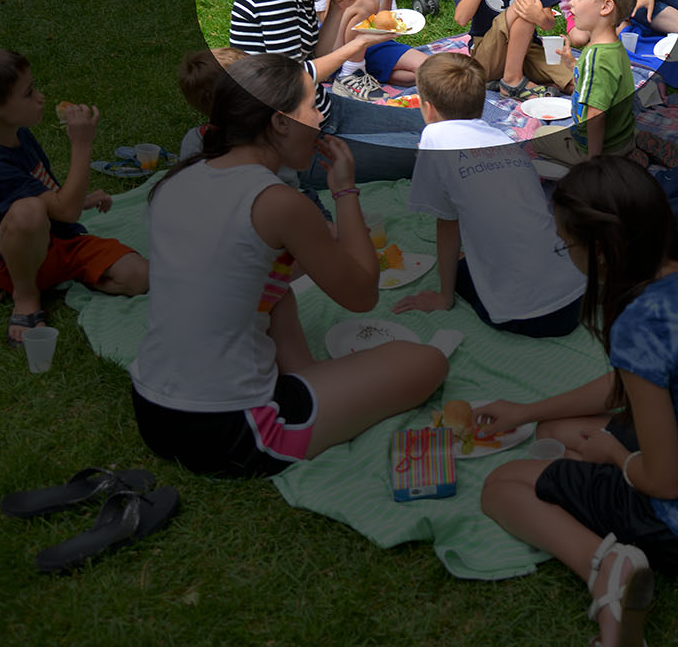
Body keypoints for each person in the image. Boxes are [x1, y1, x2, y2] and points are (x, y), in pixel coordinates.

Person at [479, 156, 678, 647]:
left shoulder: (640, 321)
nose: (567, 253)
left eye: (567, 243)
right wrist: (528, 411)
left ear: (601, 252)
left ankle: (609, 569)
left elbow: (665, 482)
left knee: (502, 486)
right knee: (556, 431)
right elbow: (631, 384)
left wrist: (615, 456)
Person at [129, 53, 449, 477]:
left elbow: (232, 269)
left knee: (274, 287)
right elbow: (361, 294)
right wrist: (344, 191)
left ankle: (309, 377)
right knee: (426, 363)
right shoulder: (279, 202)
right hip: (232, 429)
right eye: (312, 107)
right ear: (280, 123)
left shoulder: (178, 179)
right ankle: (315, 390)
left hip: (152, 409)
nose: (320, 119)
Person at [0, 48, 148, 346]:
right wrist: (82, 145)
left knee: (139, 276)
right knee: (28, 211)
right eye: (28, 93)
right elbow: (60, 210)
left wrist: (81, 200)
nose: (40, 97)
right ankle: (26, 298)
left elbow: (52, 199)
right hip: (8, 261)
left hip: (59, 242)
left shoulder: (20, 136)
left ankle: (55, 278)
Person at [228, 0, 424, 188]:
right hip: (290, 141)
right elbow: (293, 78)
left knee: (432, 126)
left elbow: (316, 55)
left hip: (320, 108)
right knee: (430, 152)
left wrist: (336, 9)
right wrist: (359, 43)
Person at [392, 53, 586, 338]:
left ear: (428, 108)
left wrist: (444, 296)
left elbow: (447, 224)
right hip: (577, 294)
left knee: (460, 265)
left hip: (526, 314)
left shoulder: (435, 137)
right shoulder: (504, 140)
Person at [537, 0, 640, 168]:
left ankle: (604, 165)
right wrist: (572, 64)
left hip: (600, 149)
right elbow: (599, 83)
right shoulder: (613, 46)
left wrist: (594, 163)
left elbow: (595, 116)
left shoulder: (597, 58)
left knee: (540, 137)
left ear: (605, 7)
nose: (571, 2)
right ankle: (632, 145)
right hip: (621, 136)